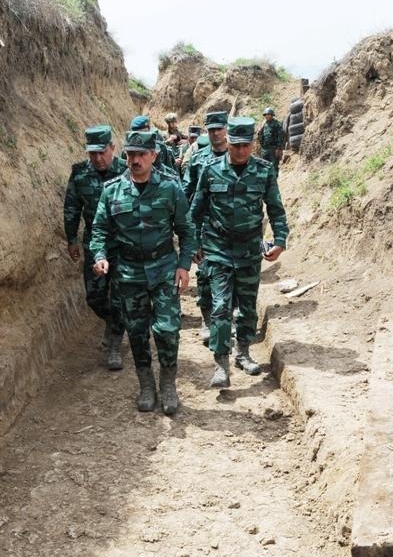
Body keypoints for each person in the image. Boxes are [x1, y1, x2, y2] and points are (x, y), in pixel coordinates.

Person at [89, 130, 195, 415]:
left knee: (168, 330)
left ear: (153, 156)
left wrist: (184, 265)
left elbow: (186, 230)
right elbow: (99, 229)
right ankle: (146, 386)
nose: (134, 160)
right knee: (136, 332)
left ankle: (169, 385)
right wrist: (99, 256)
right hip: (129, 274)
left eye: (140, 154)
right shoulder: (112, 190)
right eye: (130, 154)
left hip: (163, 271)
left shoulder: (171, 188)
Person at [190, 117, 289, 388]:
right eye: (236, 146)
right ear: (228, 142)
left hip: (248, 249)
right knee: (221, 307)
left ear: (254, 144)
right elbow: (195, 212)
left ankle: (243, 353)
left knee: (246, 308)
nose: (242, 151)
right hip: (218, 249)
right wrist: (192, 246)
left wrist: (279, 240)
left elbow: (275, 209)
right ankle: (221, 364)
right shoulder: (210, 171)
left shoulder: (264, 170)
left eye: (246, 145)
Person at [64, 124, 129, 370]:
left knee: (120, 296)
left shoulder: (127, 171)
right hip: (96, 244)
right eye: (93, 153)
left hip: (124, 245)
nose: (98, 158)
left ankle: (114, 344)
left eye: (102, 152)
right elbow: (72, 208)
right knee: (94, 296)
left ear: (112, 148)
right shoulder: (80, 175)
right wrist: (71, 239)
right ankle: (114, 323)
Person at [181, 111, 229, 344]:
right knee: (205, 277)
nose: (215, 133)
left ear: (226, 129)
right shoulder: (198, 159)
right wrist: (189, 236)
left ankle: (229, 320)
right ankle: (207, 319)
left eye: (219, 128)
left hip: (233, 232)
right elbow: (186, 195)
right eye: (211, 129)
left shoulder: (239, 154)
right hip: (205, 230)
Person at [257, 107, 286, 174]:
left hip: (273, 149)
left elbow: (281, 136)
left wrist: (278, 148)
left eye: (268, 114)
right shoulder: (264, 124)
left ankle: (274, 181)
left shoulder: (277, 124)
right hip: (264, 149)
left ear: (272, 115)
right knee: (264, 167)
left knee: (274, 167)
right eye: (265, 115)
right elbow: (260, 135)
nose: (266, 116)